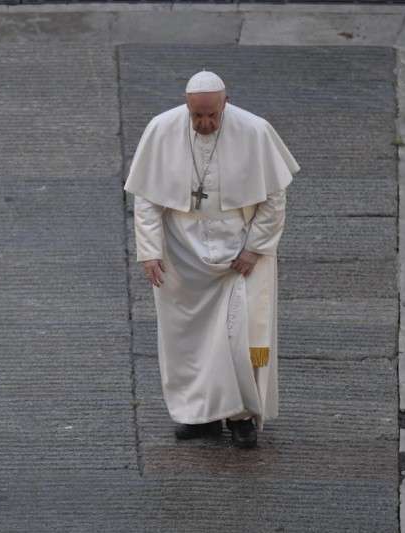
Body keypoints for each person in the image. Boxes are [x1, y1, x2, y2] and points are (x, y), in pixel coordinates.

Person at [124, 71, 300, 449]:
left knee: (237, 337)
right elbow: (147, 200)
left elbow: (273, 197)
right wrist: (150, 251)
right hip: (182, 255)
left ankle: (240, 418)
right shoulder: (161, 129)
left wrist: (255, 248)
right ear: (187, 107)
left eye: (212, 116)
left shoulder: (254, 131)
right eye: (197, 117)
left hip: (240, 255)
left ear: (225, 103)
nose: (204, 124)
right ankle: (197, 415)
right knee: (186, 341)